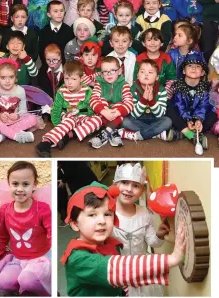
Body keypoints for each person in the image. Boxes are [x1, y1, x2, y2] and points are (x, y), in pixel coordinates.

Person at [61, 182, 185, 296]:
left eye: (107, 214)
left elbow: (120, 284)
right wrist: (172, 259)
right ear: (75, 224)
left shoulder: (110, 243)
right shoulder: (77, 259)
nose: (102, 221)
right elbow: (117, 269)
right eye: (92, 215)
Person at [0, 162, 51, 296]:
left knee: (27, 280)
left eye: (25, 184)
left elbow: (52, 233)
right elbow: (3, 236)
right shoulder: (5, 210)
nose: (20, 189)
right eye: (15, 184)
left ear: (35, 184)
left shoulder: (42, 209)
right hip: (18, 259)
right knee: (4, 282)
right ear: (9, 184)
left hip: (40, 258)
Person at [112, 163, 169, 296]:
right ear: (115, 185)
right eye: (125, 183)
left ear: (142, 191)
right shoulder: (107, 213)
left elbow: (153, 242)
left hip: (142, 271)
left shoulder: (145, 214)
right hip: (116, 272)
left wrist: (159, 234)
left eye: (136, 185)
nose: (129, 189)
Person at [36, 61, 100, 157]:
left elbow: (91, 110)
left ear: (81, 79)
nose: (69, 82)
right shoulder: (62, 91)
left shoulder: (87, 91)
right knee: (69, 122)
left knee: (98, 120)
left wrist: (80, 112)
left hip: (83, 117)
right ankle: (46, 142)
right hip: (68, 116)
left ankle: (69, 135)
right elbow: (56, 110)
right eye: (66, 78)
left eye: (74, 79)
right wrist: (59, 126)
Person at [167, 52, 216, 150]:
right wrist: (188, 120)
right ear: (184, 71)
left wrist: (198, 120)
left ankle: (185, 133)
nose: (194, 68)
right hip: (183, 117)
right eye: (190, 66)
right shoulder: (178, 86)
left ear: (202, 72)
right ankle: (190, 134)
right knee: (168, 107)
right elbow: (179, 105)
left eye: (198, 66)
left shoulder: (206, 87)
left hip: (199, 117)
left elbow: (204, 106)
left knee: (214, 112)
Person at [0, 58, 42, 144]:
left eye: (11, 77)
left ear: (16, 78)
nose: (7, 81)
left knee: (32, 119)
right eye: (3, 78)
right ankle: (15, 136)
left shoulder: (20, 90)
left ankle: (4, 134)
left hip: (15, 121)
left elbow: (23, 111)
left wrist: (17, 116)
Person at [122, 60, 173, 141]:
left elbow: (160, 114)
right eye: (142, 72)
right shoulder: (133, 89)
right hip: (138, 119)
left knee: (167, 121)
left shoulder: (161, 90)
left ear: (157, 77)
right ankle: (155, 134)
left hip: (155, 119)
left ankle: (139, 135)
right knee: (125, 122)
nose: (146, 74)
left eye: (150, 72)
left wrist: (152, 101)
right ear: (138, 75)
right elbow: (134, 114)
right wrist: (143, 100)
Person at [89, 56, 134, 148]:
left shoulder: (124, 85)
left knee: (120, 105)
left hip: (117, 115)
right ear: (101, 74)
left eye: (113, 70)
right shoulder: (99, 84)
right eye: (105, 72)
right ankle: (113, 132)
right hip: (103, 113)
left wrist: (117, 112)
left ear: (119, 71)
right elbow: (93, 99)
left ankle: (106, 133)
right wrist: (103, 111)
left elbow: (129, 103)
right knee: (101, 101)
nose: (109, 74)